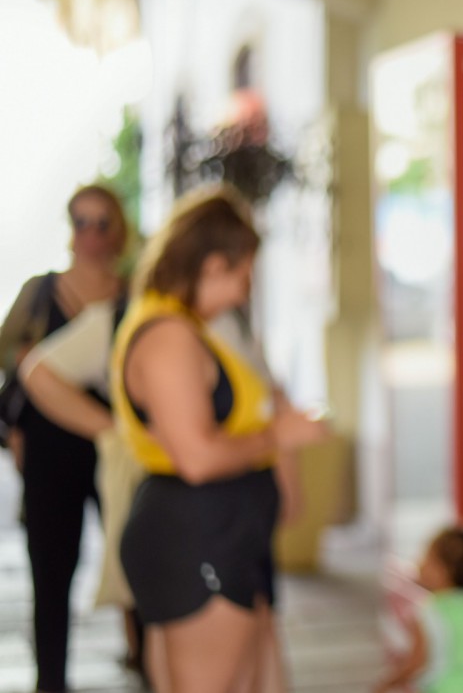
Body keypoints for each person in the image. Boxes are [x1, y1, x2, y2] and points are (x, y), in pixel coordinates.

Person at [109, 183, 326, 692]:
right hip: (195, 534)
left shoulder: (187, 327)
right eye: (242, 276)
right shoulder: (167, 337)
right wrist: (280, 433)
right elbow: (198, 458)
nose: (241, 293)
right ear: (211, 265)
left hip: (218, 531)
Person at [0, 184, 127, 693]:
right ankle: (50, 679)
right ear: (69, 228)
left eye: (101, 222)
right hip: (52, 449)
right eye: (81, 221)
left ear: (116, 229)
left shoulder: (134, 293)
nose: (91, 234)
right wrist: (13, 436)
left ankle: (149, 658)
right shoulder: (39, 293)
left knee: (136, 548)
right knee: (53, 570)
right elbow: (10, 364)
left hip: (117, 446)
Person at [374, 526, 463, 693]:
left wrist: (388, 682)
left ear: (444, 572)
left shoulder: (429, 610)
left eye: (427, 558)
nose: (420, 563)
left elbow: (417, 661)